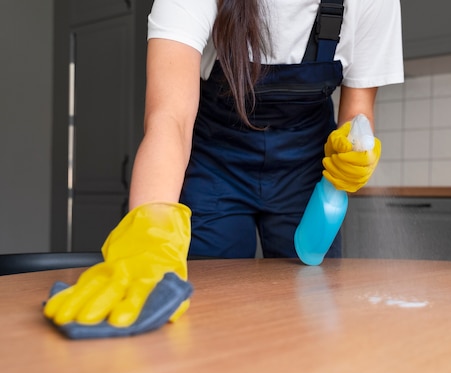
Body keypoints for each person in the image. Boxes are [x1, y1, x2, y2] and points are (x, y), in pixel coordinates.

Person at [43, 0, 404, 334]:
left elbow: (357, 112)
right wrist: (147, 232)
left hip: (306, 172)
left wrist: (354, 147)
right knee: (203, 306)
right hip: (216, 165)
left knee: (312, 303)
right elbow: (170, 119)